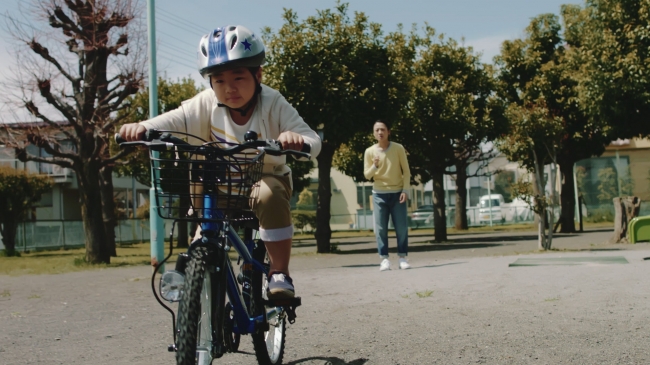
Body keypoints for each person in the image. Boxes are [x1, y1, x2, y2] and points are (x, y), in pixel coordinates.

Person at [119, 25, 321, 299]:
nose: (229, 88)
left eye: (238, 77)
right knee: (202, 187)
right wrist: (143, 127)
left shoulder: (273, 103)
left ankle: (279, 272)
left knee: (269, 194)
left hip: (261, 183)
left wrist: (296, 139)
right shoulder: (203, 104)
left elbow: (310, 137)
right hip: (218, 188)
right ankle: (197, 264)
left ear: (258, 74)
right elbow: (174, 119)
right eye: (219, 81)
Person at [363, 120, 411, 271]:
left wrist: (405, 190)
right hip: (379, 194)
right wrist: (375, 165)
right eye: (376, 130)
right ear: (373, 133)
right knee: (381, 228)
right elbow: (367, 175)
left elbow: (407, 172)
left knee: (401, 227)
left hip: (398, 193)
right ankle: (384, 259)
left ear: (388, 131)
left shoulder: (398, 148)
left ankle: (402, 258)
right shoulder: (369, 151)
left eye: (382, 129)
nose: (380, 133)